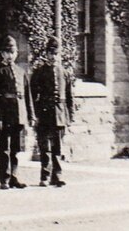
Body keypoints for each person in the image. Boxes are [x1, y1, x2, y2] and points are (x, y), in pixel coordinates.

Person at [0, 35, 33, 190]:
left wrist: (30, 115)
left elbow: (27, 95)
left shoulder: (21, 72)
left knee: (15, 148)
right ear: (2, 54)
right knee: (5, 148)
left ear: (16, 53)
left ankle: (14, 176)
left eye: (12, 52)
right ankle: (4, 179)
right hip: (5, 115)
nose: (9, 55)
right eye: (6, 52)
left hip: (18, 114)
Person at [30, 36, 74, 187]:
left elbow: (69, 96)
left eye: (56, 54)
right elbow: (33, 95)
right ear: (46, 54)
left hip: (60, 114)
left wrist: (70, 115)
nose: (53, 57)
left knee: (58, 147)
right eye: (50, 53)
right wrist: (34, 114)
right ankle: (45, 176)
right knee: (44, 146)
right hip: (44, 113)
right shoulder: (39, 72)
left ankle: (58, 175)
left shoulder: (65, 73)